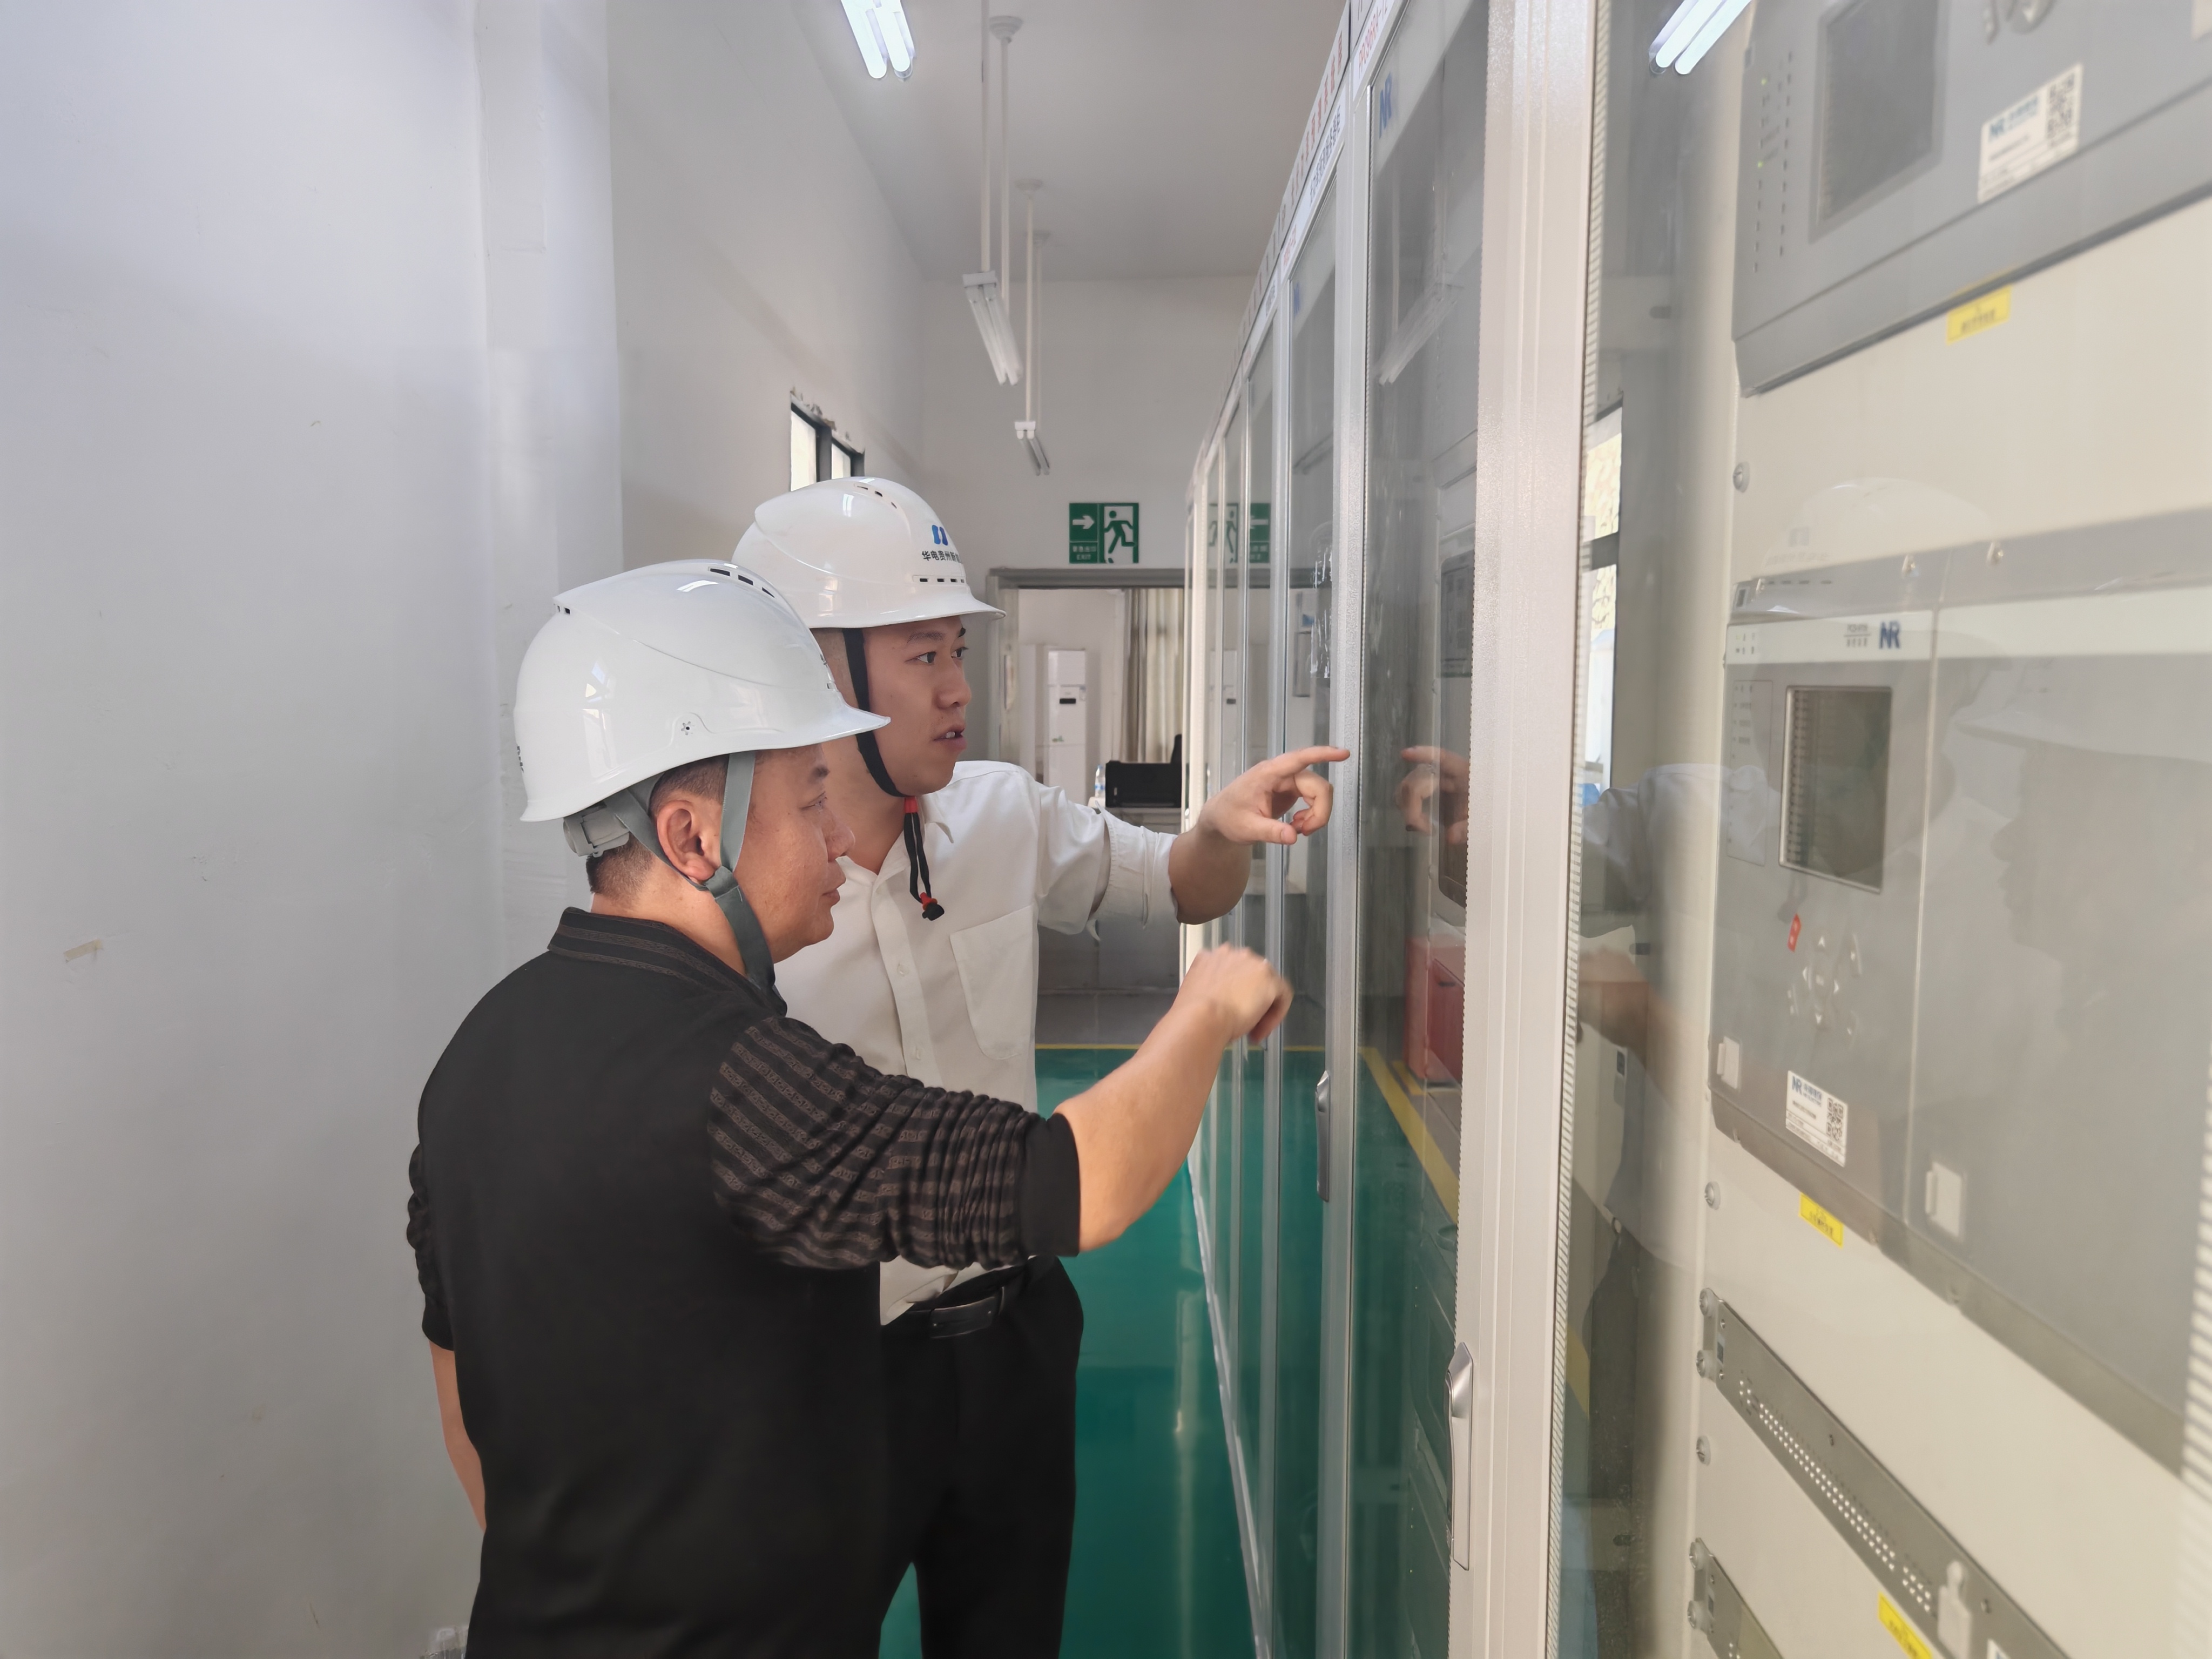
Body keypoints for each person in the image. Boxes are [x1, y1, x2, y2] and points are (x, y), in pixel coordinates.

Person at [403, 562, 1290, 1656]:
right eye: (808, 799)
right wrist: (1206, 1007)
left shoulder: (478, 1050)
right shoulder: (741, 1079)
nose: (834, 836)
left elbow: (462, 1384)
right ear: (691, 839)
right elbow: (1071, 1183)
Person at [733, 478, 1347, 1656]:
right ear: (813, 667)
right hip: (827, 1366)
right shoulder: (742, 899)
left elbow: (1180, 886)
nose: (957, 688)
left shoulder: (1000, 814)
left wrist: (1220, 827)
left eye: (956, 650)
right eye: (922, 655)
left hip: (1013, 1336)